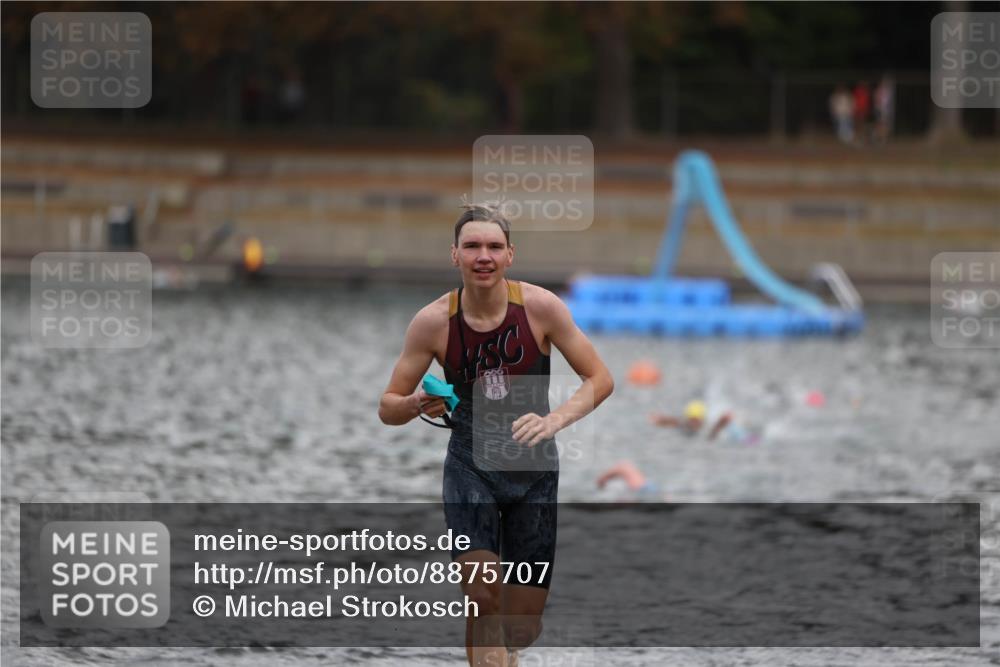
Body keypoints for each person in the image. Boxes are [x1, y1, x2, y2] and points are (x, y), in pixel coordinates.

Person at [379, 199, 614, 667]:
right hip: (470, 467)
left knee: (522, 625)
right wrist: (412, 404)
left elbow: (600, 379)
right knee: (481, 591)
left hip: (533, 473)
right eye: (472, 246)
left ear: (510, 255)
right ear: (455, 255)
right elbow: (388, 407)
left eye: (493, 246)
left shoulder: (541, 309)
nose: (482, 256)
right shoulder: (432, 323)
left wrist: (554, 421)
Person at [649, 399, 759, 444]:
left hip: (726, 432)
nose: (694, 423)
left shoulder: (707, 427)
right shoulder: (685, 425)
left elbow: (717, 428)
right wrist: (659, 421)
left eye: (697, 421)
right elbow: (673, 421)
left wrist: (724, 419)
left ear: (702, 420)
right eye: (692, 420)